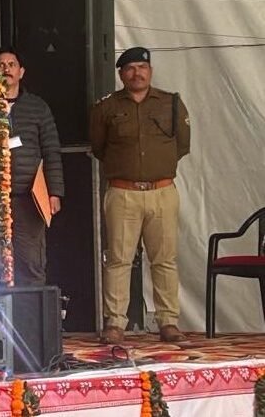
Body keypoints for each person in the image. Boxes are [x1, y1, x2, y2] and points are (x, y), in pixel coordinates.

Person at [90, 47, 191, 344]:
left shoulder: (171, 103)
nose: (137, 73)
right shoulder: (106, 107)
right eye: (131, 68)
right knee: (119, 260)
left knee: (164, 260)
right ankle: (115, 323)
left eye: (142, 67)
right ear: (121, 74)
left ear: (150, 71)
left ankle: (168, 321)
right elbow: (99, 147)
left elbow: (182, 146)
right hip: (123, 193)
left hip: (162, 191)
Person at [0, 46, 64, 286]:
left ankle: (31, 311)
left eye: (11, 65)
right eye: (1, 65)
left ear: (21, 72)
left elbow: (51, 150)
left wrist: (54, 192)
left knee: (31, 262)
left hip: (29, 198)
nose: (6, 69)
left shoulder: (37, 107)